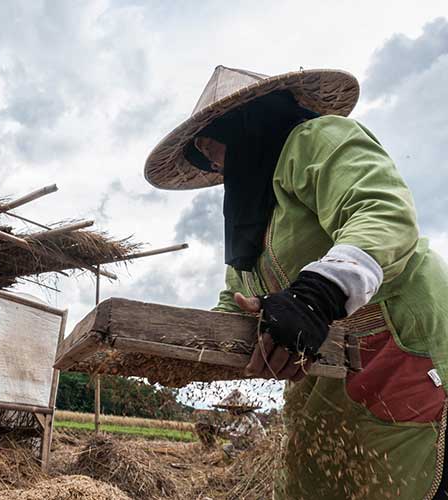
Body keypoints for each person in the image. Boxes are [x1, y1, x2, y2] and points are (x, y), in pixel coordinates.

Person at [144, 66, 448, 499]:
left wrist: (316, 295)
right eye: (200, 156)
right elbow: (237, 303)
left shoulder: (318, 140)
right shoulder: (251, 220)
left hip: (399, 340)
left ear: (243, 124)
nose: (208, 160)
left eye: (208, 146)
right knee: (316, 476)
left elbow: (383, 215)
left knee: (398, 475)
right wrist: (175, 351)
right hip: (322, 367)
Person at [213, 389, 266, 457]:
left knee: (229, 450)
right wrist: (216, 429)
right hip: (249, 445)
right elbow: (230, 429)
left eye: (230, 408)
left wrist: (219, 432)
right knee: (225, 447)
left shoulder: (247, 418)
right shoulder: (240, 418)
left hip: (256, 447)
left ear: (237, 409)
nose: (229, 411)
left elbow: (236, 435)